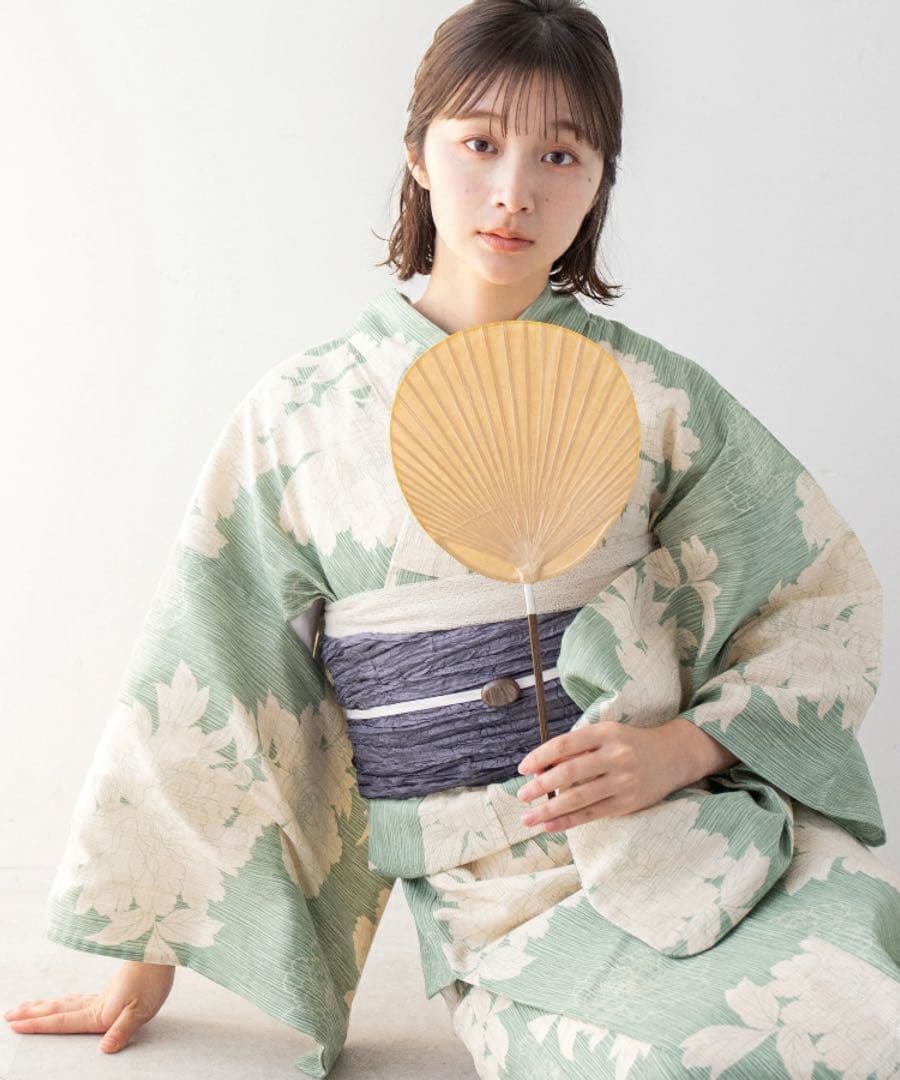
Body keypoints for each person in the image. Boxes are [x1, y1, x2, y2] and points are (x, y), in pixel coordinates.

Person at [6, 0, 899, 1076]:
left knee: (870, 1008)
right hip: (498, 900)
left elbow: (816, 597)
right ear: (418, 154)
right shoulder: (300, 414)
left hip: (699, 834)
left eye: (559, 154)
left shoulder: (657, 397)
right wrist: (145, 959)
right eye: (479, 143)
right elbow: (207, 663)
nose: (515, 191)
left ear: (599, 179)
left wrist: (682, 749)